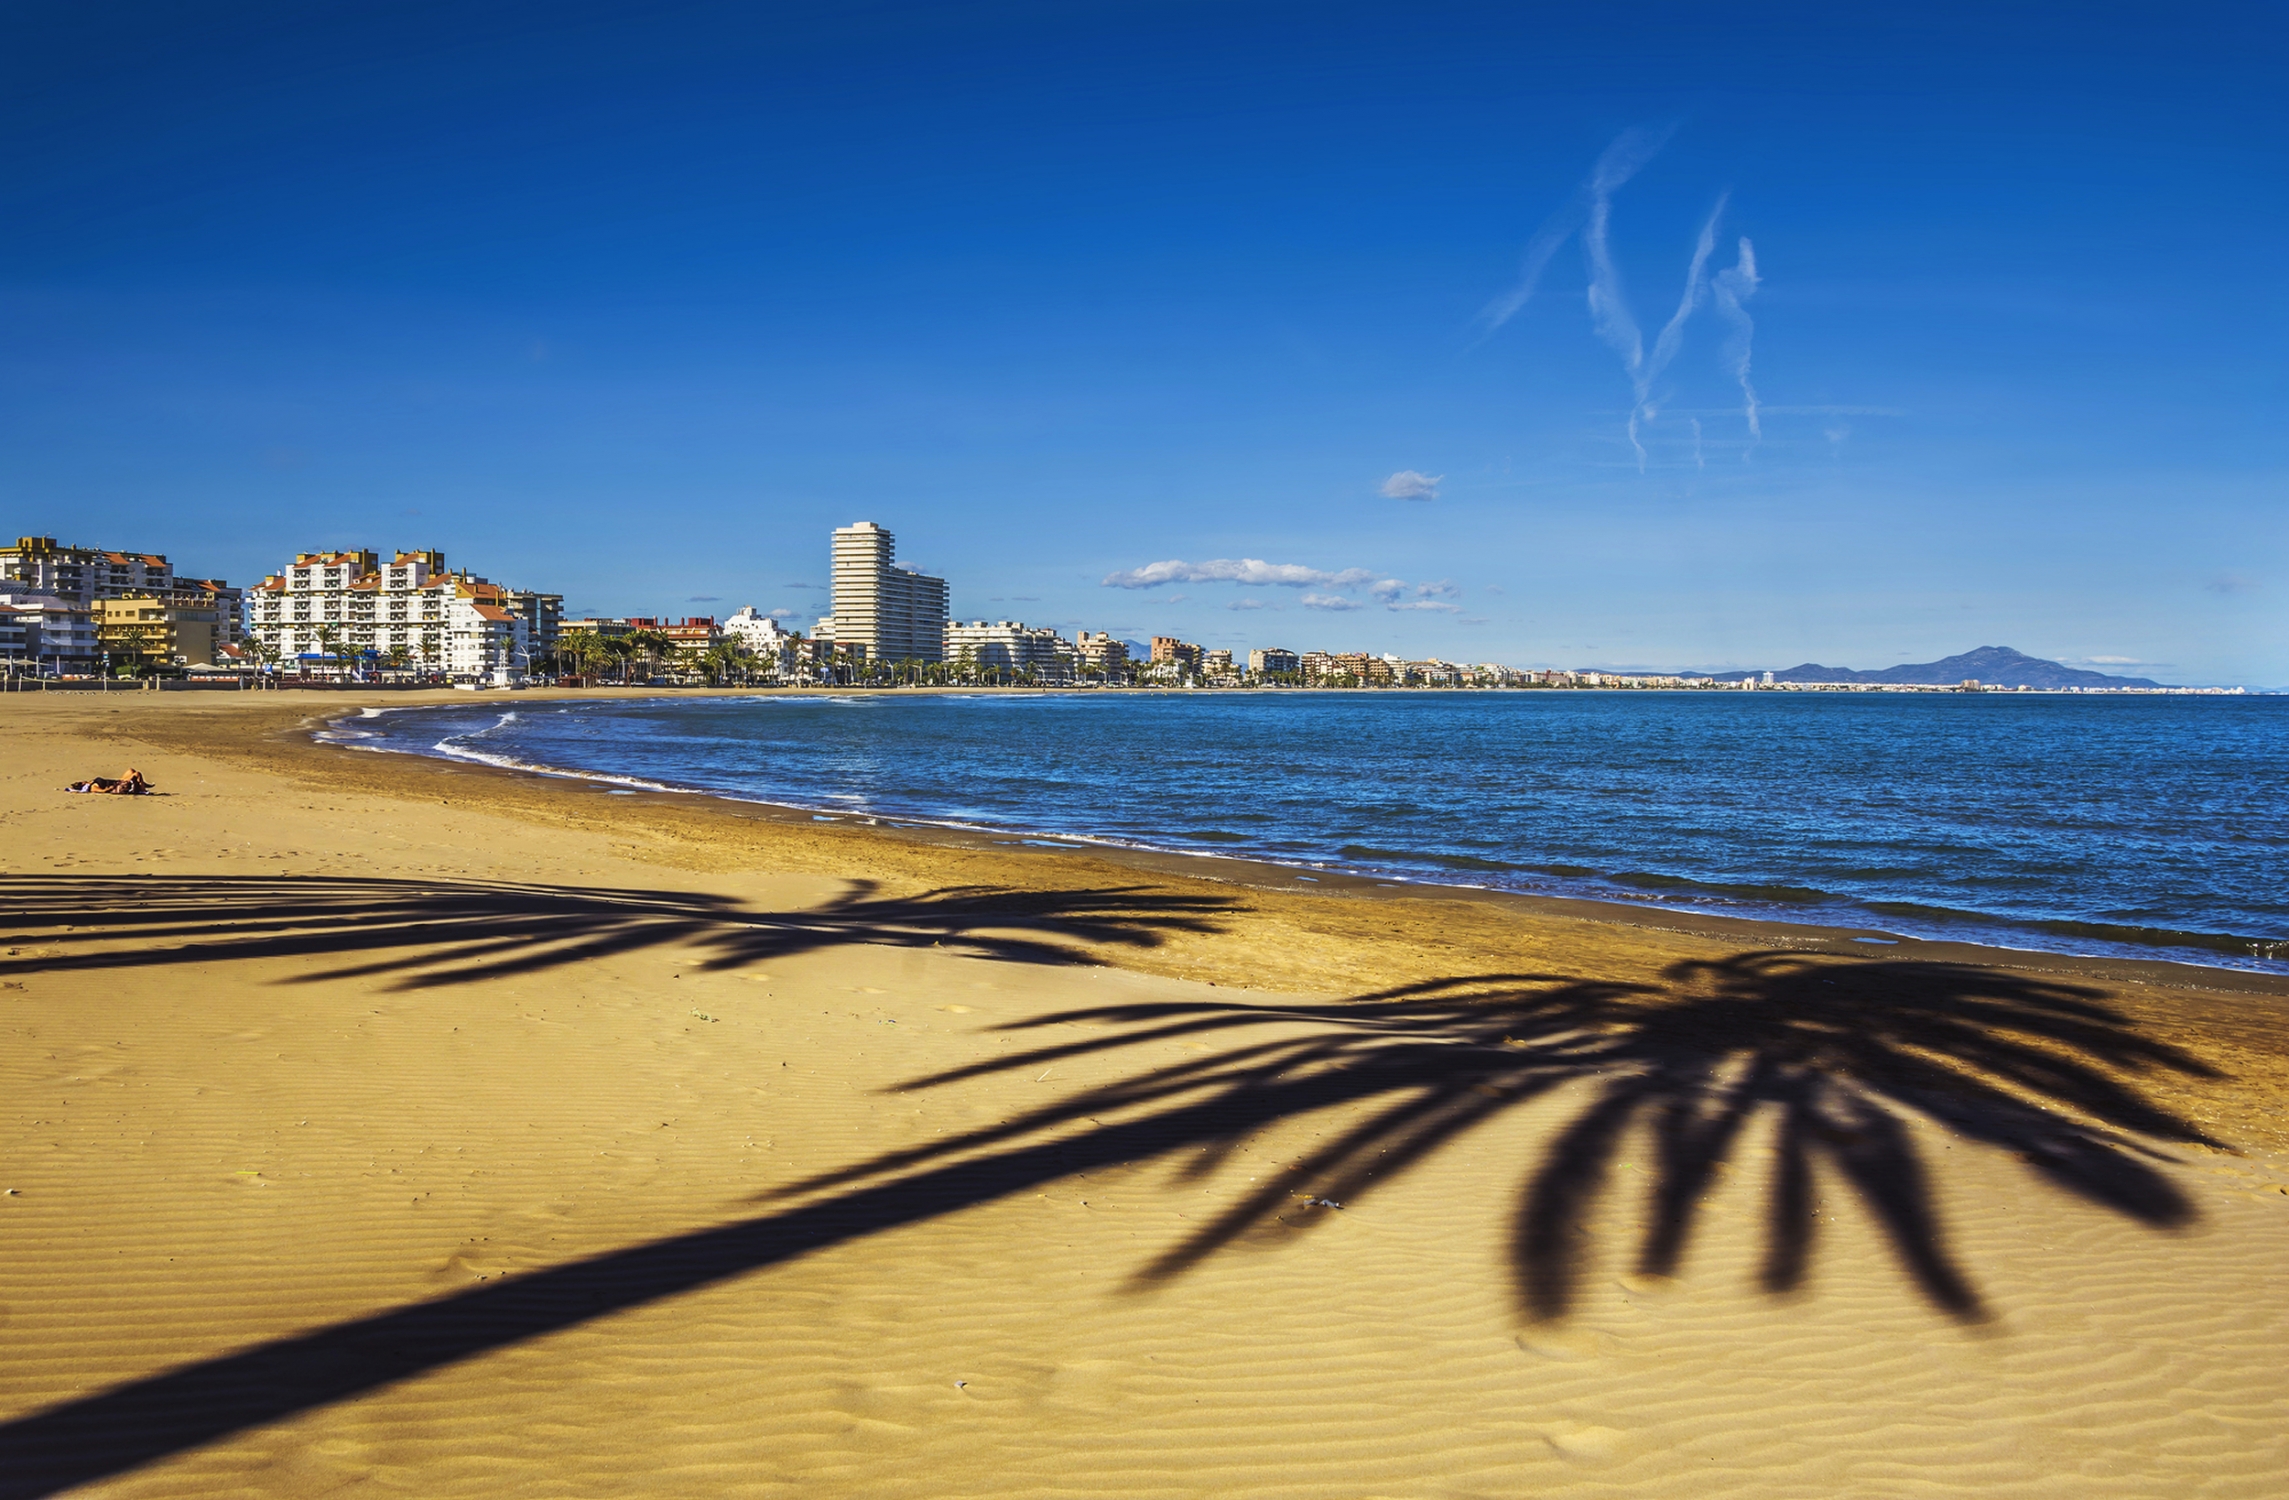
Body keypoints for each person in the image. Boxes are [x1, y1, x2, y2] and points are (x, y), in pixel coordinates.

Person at [65, 768, 153, 795]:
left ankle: (142, 784)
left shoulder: (92, 782)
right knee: (137, 774)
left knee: (130, 770)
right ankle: (143, 790)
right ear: (82, 785)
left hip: (118, 781)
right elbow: (102, 791)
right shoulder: (93, 787)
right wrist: (110, 788)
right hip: (119, 785)